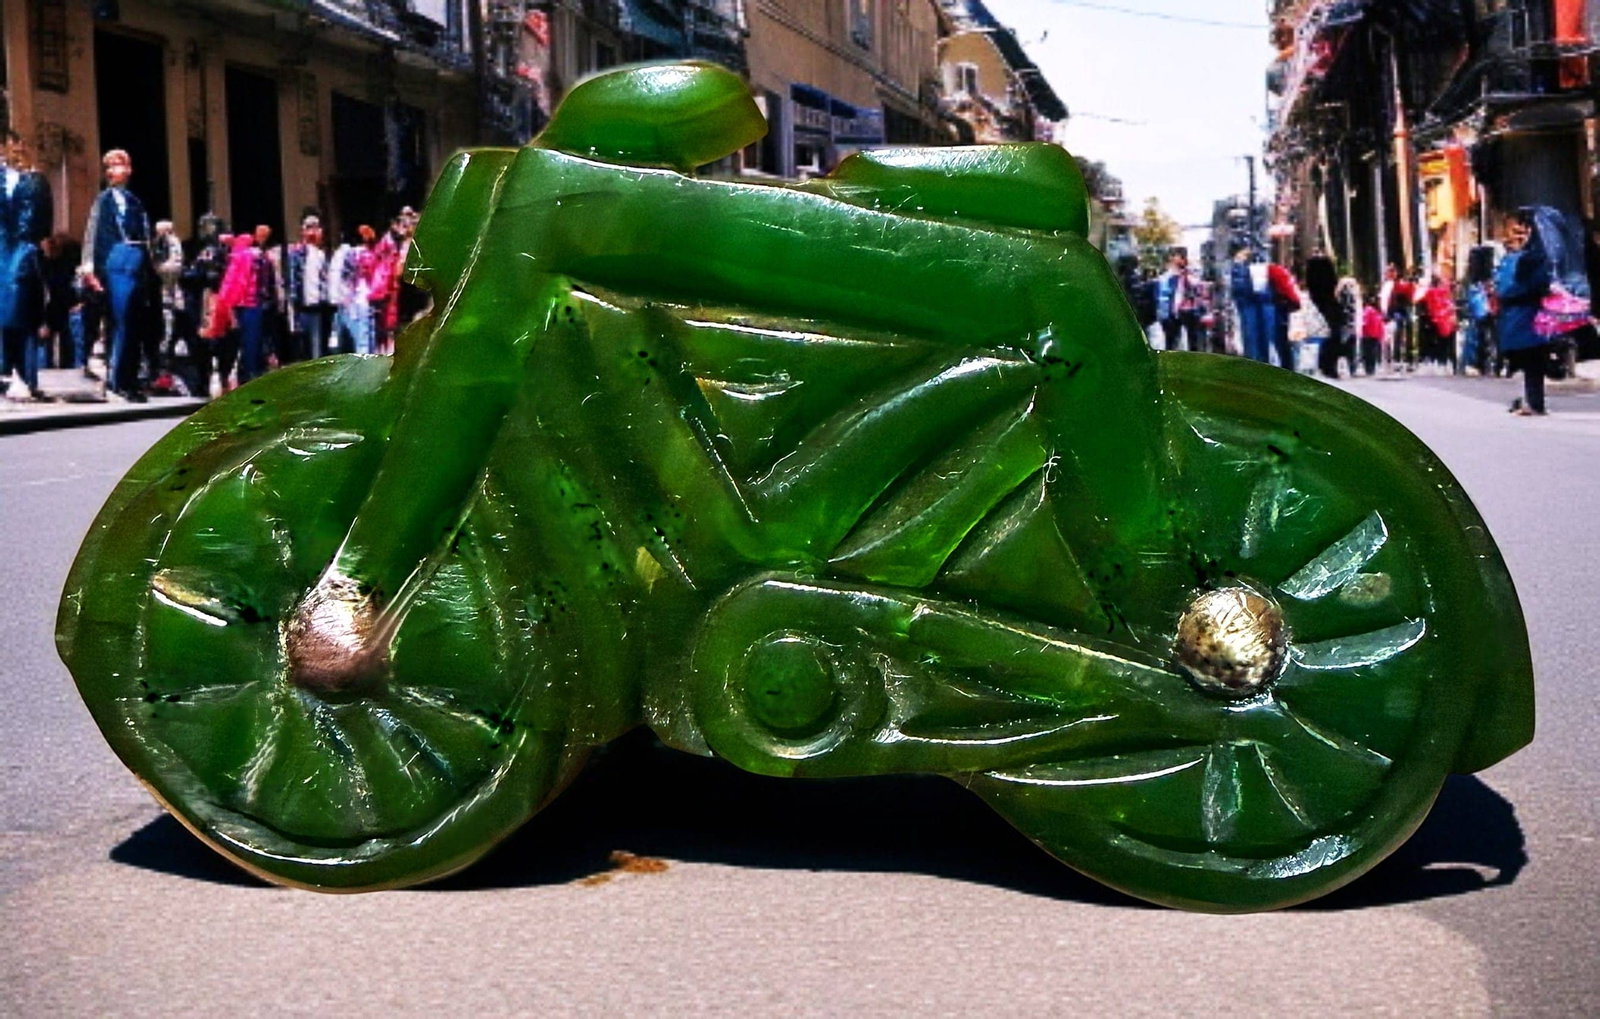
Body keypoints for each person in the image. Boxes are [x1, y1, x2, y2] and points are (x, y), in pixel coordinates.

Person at [80, 148, 153, 401]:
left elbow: (145, 237)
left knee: (134, 323)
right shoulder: (103, 200)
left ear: (129, 169)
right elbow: (91, 235)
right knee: (120, 322)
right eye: (108, 166)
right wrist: (89, 268)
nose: (112, 170)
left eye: (117, 165)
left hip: (136, 262)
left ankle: (130, 380)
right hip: (115, 261)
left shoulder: (135, 202)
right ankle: (116, 381)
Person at [1, 129, 54, 399]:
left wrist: (38, 244)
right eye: (10, 146)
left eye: (19, 146)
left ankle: (25, 374)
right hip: (2, 249)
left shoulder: (34, 180)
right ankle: (5, 373)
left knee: (21, 309)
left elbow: (44, 219)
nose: (15, 151)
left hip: (23, 250)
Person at [1495, 209, 1552, 416]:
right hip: (1521, 315)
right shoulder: (1519, 258)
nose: (1518, 236)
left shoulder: (1531, 258)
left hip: (1527, 315)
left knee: (1532, 360)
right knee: (1529, 360)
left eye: (1522, 231)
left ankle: (1534, 402)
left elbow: (1518, 286)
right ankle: (1531, 400)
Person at [279, 213, 331, 361]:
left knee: (318, 346)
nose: (313, 232)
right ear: (303, 231)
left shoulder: (322, 254)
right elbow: (291, 280)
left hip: (319, 306)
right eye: (309, 228)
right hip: (302, 306)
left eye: (316, 227)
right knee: (303, 345)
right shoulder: (297, 253)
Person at [1230, 248, 1273, 363]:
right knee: (1260, 340)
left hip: (1251, 307)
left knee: (1253, 339)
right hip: (1257, 306)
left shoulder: (1240, 269)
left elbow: (1237, 290)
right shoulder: (1244, 268)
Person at [1305, 250, 1343, 378]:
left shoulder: (1311, 274)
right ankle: (1329, 366)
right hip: (1329, 305)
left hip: (1317, 305)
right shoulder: (1332, 303)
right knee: (1334, 335)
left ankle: (1323, 365)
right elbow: (1333, 282)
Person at [1156, 249, 1202, 351]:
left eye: (1182, 257)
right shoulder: (1166, 278)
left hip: (1189, 310)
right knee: (1172, 341)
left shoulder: (1190, 274)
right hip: (1173, 313)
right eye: (1178, 257)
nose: (1180, 260)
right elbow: (1163, 298)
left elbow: (1198, 288)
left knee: (1193, 341)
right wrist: (1164, 315)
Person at [1266, 260, 1300, 370]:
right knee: (1283, 341)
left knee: (1279, 340)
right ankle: (1288, 367)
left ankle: (1286, 367)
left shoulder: (1273, 270)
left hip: (1277, 307)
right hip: (1283, 306)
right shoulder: (1279, 271)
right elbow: (1289, 291)